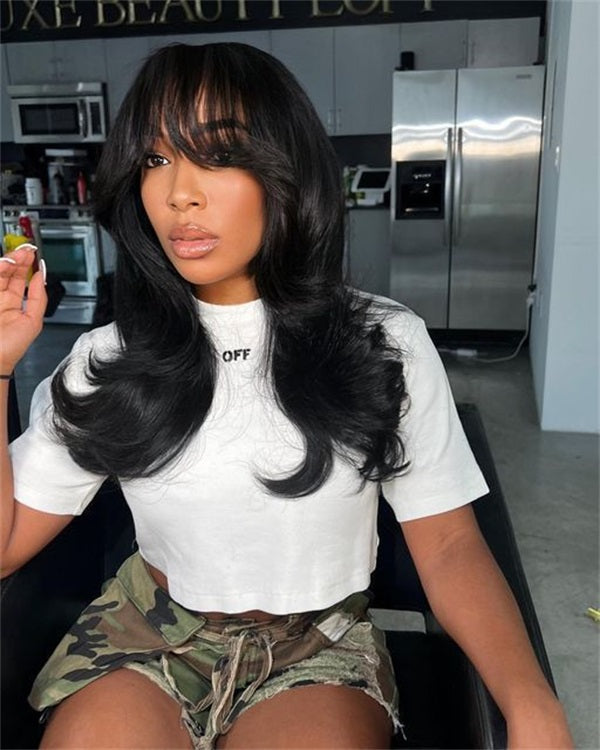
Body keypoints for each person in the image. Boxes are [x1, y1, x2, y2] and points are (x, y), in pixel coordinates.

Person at [0, 43, 572, 750]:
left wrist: (532, 702)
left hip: (317, 645)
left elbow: (450, 545)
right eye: (155, 158)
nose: (180, 193)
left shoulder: (382, 341)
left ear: (285, 170)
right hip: (145, 631)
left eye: (218, 155)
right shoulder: (109, 358)